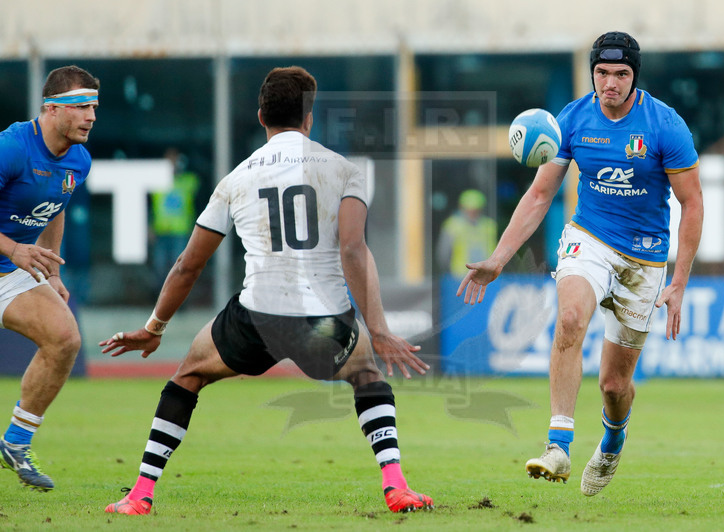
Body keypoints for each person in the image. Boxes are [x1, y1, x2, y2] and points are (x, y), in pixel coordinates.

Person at [101, 66, 434, 515]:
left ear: (261, 117)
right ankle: (395, 485)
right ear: (310, 118)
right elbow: (353, 249)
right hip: (324, 318)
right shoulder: (344, 171)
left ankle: (140, 493)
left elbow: (187, 265)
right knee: (367, 376)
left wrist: (154, 326)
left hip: (257, 316)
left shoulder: (236, 179)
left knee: (187, 377)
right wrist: (377, 327)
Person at [457, 31, 703, 496]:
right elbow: (540, 194)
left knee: (614, 384)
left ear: (635, 77)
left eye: (621, 74)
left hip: (645, 258)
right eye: (603, 73)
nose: (611, 82)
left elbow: (692, 204)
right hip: (588, 238)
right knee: (569, 319)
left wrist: (679, 281)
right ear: (593, 73)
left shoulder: (665, 125)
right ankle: (558, 445)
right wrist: (497, 259)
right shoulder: (572, 119)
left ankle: (612, 440)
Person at [0, 65, 100, 491]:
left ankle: (15, 443)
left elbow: (56, 208)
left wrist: (53, 271)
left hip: (11, 270)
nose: (91, 116)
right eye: (81, 106)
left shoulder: (79, 159)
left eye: (94, 106)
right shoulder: (11, 148)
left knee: (65, 339)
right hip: (10, 255)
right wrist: (14, 248)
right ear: (51, 109)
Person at [150, 148, 200, 288]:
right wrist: (150, 226)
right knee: (159, 267)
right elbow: (151, 206)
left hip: (180, 231)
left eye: (174, 161)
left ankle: (179, 298)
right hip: (161, 231)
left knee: (180, 267)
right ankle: (160, 296)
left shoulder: (188, 180)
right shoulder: (156, 182)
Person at [436, 189, 497, 277]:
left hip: (486, 276)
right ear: (462, 208)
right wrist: (448, 273)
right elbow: (443, 254)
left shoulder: (489, 225)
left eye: (476, 210)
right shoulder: (452, 225)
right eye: (470, 210)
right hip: (459, 276)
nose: (472, 213)